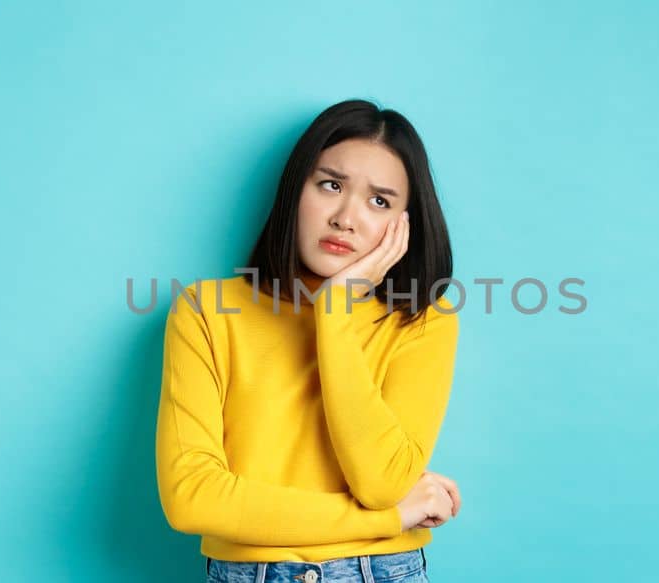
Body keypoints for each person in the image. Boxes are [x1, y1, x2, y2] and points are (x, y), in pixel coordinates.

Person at [155, 99, 462, 582]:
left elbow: (382, 482)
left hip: (381, 572)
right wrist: (386, 520)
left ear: (405, 224)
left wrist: (335, 310)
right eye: (331, 185)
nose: (346, 217)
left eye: (379, 201)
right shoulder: (207, 310)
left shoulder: (421, 321)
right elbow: (190, 498)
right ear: (295, 190)